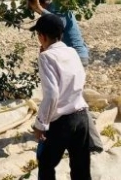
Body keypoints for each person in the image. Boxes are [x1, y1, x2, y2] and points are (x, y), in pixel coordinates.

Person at [30, 13, 91, 180]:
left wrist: (40, 124)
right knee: (81, 168)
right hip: (81, 117)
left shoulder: (46, 57)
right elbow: (79, 78)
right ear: (61, 34)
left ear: (41, 37)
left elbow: (51, 94)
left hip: (62, 122)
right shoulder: (71, 52)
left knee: (46, 162)